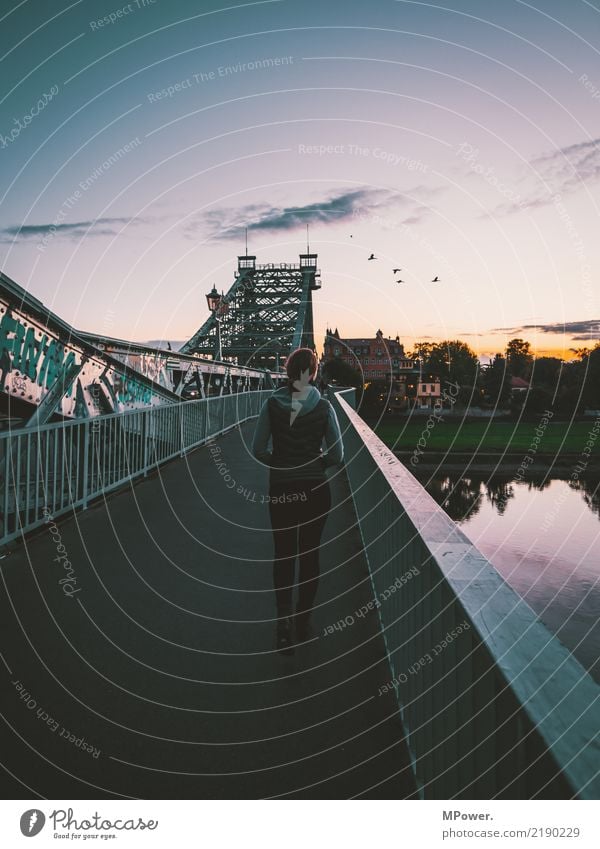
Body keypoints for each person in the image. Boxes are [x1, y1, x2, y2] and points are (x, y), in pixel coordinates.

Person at [251, 347, 344, 655]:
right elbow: (337, 455)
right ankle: (304, 622)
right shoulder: (325, 406)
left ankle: (283, 625)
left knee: (284, 554)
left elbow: (258, 449)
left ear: (288, 371)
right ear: (314, 373)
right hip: (316, 489)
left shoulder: (271, 404)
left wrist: (280, 462)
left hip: (283, 489)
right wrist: (316, 464)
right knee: (310, 555)